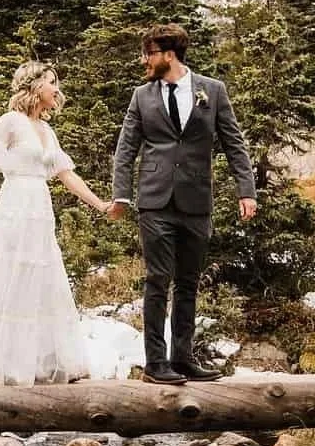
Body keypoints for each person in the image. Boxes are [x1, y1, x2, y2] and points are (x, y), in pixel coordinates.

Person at [108, 23, 257, 386]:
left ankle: (184, 358)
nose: (144, 60)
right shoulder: (141, 96)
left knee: (189, 282)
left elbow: (234, 143)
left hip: (196, 201)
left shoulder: (213, 91)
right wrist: (121, 193)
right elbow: (126, 148)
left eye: (149, 53)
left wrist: (246, 190)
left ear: (169, 55)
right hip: (155, 201)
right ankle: (155, 363)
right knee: (158, 279)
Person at [0, 62, 110, 386]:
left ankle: (36, 362)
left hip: (40, 208)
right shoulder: (10, 122)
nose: (56, 90)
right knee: (7, 276)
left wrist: (100, 204)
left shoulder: (47, 132)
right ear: (34, 86)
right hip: (15, 204)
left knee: (41, 279)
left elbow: (67, 175)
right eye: (51, 83)